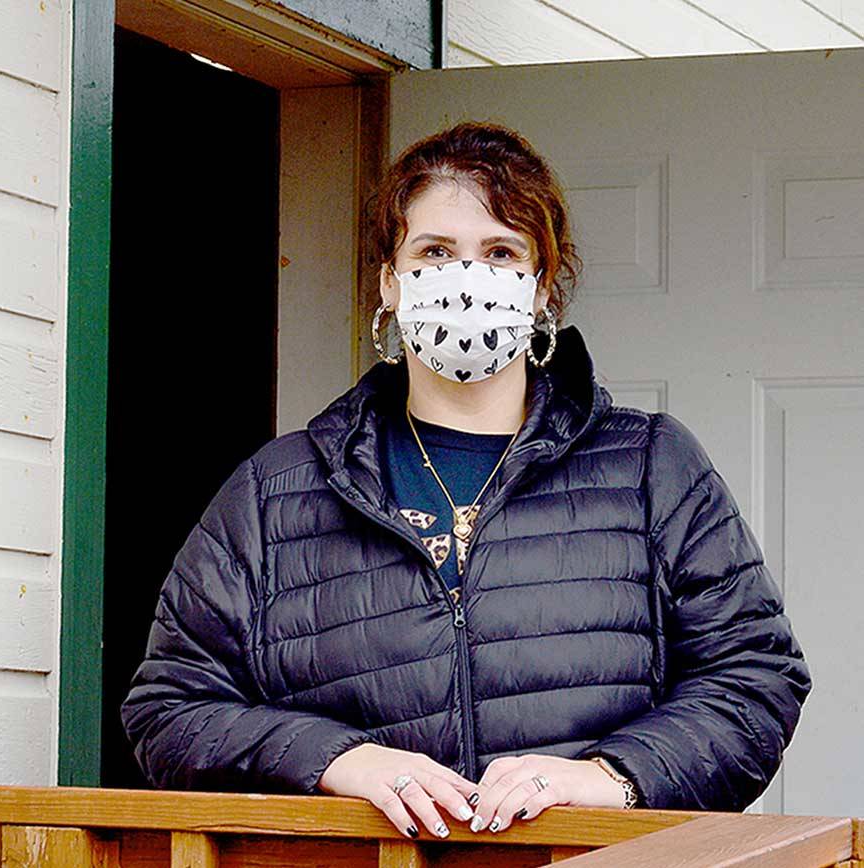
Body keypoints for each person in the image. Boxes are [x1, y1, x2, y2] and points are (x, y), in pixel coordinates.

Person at [119, 121, 811, 841]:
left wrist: (613, 776)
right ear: (390, 281)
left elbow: (756, 678)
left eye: (501, 252)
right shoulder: (274, 492)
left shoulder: (649, 465)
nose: (467, 279)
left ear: (542, 288)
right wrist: (339, 761)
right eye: (436, 252)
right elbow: (170, 710)